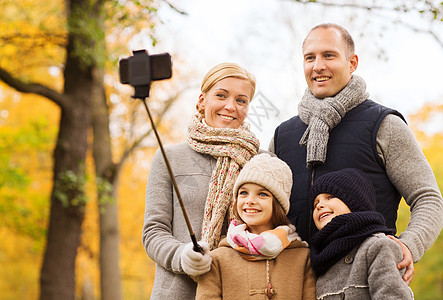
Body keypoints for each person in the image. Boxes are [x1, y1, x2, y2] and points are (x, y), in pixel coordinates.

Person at [270, 23, 443, 284]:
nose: (318, 65)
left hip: (364, 283)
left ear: (352, 63)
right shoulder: (283, 135)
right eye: (310, 58)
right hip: (294, 285)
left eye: (329, 55)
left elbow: (428, 198)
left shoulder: (383, 124)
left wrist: (408, 245)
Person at [142, 63, 261, 299]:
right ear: (202, 100)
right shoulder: (170, 158)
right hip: (179, 292)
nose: (230, 106)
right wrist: (182, 256)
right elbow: (154, 231)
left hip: (241, 290)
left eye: (241, 100)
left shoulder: (262, 162)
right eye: (221, 95)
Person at [195, 153, 316, 299]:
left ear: (278, 204)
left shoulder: (303, 259)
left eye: (262, 194)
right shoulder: (217, 259)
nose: (250, 200)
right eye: (244, 193)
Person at [309, 168, 414, 299]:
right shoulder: (321, 259)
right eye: (315, 203)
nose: (320, 205)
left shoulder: (378, 246)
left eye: (330, 197)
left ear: (354, 201)